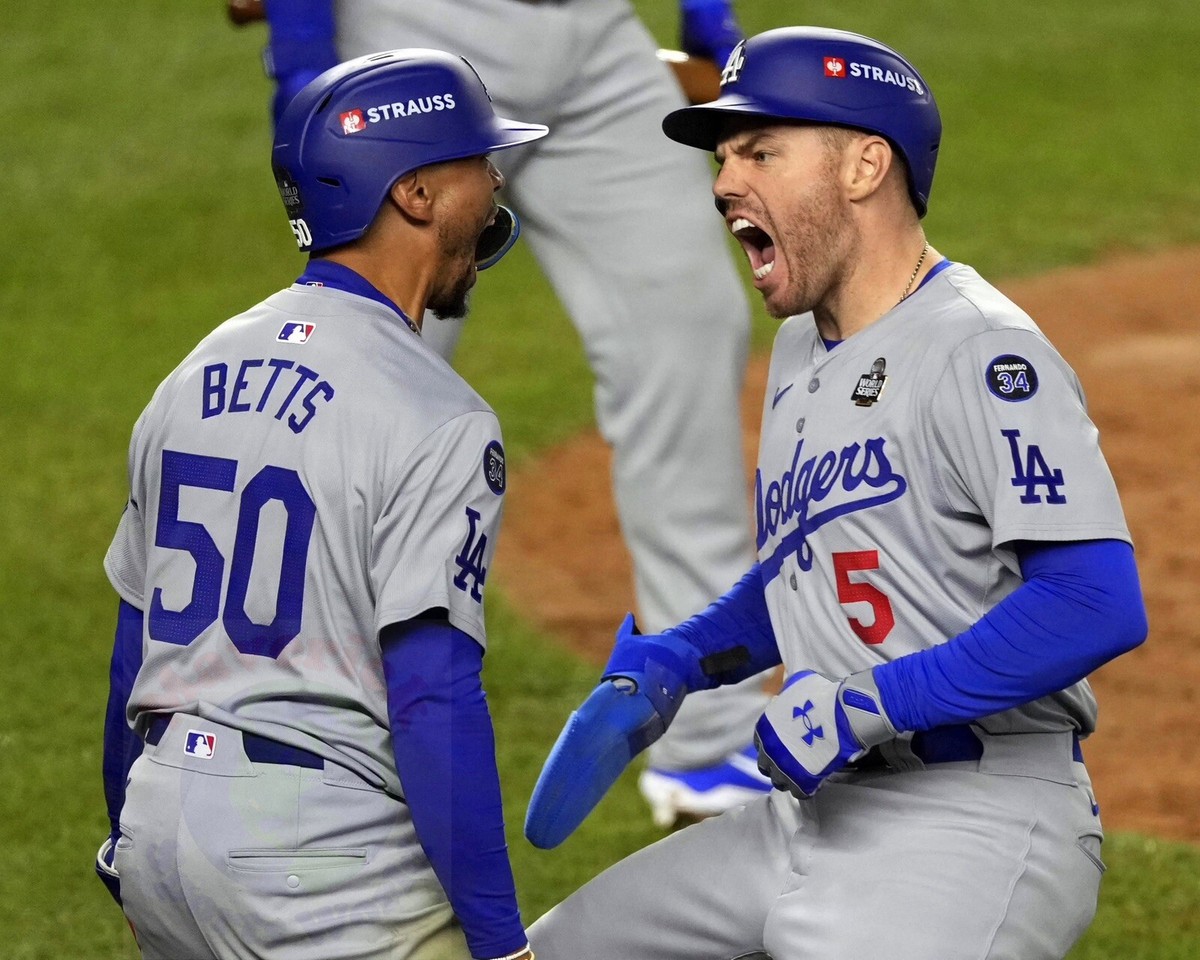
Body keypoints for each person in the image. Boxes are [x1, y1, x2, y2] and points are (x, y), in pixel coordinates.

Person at [523, 26, 1148, 960]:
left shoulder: (979, 349)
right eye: (725, 156)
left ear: (865, 165)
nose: (725, 182)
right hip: (812, 811)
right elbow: (813, 567)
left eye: (761, 151)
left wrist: (868, 705)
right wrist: (681, 662)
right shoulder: (802, 349)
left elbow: (1095, 604)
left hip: (976, 816)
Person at [251, 0, 776, 827]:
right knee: (370, 367)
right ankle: (294, 725)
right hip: (415, 37)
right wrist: (303, 61)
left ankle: (707, 737)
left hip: (598, 43)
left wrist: (709, 20)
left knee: (687, 325)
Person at [94, 49, 550, 960]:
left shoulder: (191, 374)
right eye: (474, 162)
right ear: (415, 195)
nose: (495, 183)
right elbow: (434, 697)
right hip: (317, 865)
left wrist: (136, 839)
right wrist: (503, 944)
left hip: (160, 821)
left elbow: (130, 658)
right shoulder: (441, 417)